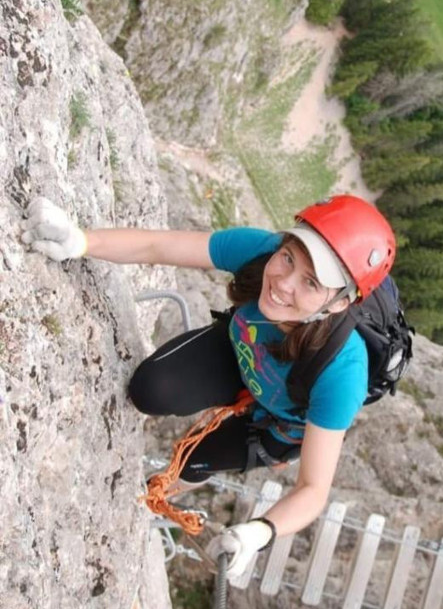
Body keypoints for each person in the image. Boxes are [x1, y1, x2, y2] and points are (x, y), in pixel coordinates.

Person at [22, 194, 396, 577]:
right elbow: (161, 245)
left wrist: (260, 531)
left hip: (280, 422)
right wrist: (81, 241)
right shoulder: (262, 252)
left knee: (195, 459)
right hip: (240, 353)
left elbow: (314, 489)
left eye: (311, 282)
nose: (283, 283)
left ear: (337, 304)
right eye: (288, 258)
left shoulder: (342, 371)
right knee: (149, 390)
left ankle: (154, 495)